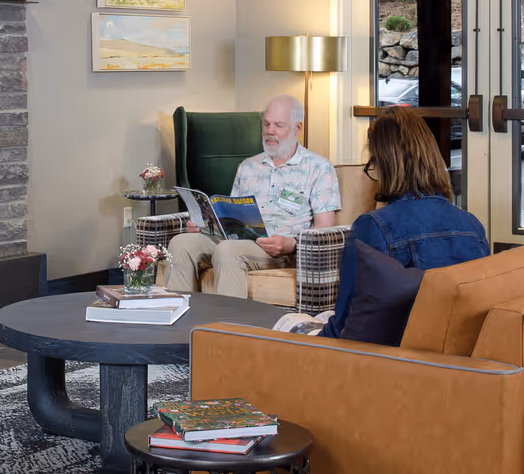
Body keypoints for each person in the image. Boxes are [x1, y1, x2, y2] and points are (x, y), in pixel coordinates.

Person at [320, 107, 488, 338]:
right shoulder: (472, 226)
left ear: (385, 164)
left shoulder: (373, 227)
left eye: (373, 164)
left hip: (388, 363)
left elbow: (345, 326)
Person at [165, 95, 341, 300]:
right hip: (238, 240)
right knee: (181, 243)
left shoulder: (319, 168)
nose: (270, 131)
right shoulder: (248, 166)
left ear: (298, 128)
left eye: (278, 125)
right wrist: (205, 225)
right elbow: (230, 217)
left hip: (282, 251)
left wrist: (291, 243)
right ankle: (179, 322)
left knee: (228, 251)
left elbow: (326, 227)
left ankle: (228, 329)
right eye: (266, 124)